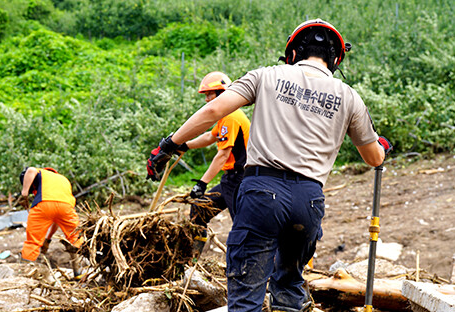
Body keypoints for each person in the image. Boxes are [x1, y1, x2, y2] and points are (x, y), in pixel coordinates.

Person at [146, 18, 393, 312]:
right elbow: (373, 158)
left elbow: (213, 110)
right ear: (336, 58)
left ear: (292, 53)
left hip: (262, 193)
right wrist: (382, 146)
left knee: (246, 298)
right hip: (309, 202)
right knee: (289, 291)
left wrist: (169, 144)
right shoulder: (350, 97)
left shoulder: (266, 76)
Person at [167, 71, 250, 258]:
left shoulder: (232, 117)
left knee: (244, 228)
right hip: (231, 180)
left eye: (209, 94)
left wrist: (202, 183)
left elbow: (222, 155)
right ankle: (191, 259)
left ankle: (251, 270)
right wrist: (184, 145)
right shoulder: (225, 116)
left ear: (221, 93)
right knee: (199, 209)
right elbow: (210, 137)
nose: (206, 99)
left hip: (241, 179)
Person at [19, 166, 83, 279]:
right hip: (67, 208)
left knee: (33, 241)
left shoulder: (39, 172)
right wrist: (47, 239)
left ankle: (25, 275)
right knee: (75, 238)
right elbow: (56, 218)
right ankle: (79, 273)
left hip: (43, 205)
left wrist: (24, 193)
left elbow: (31, 170)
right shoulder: (63, 179)